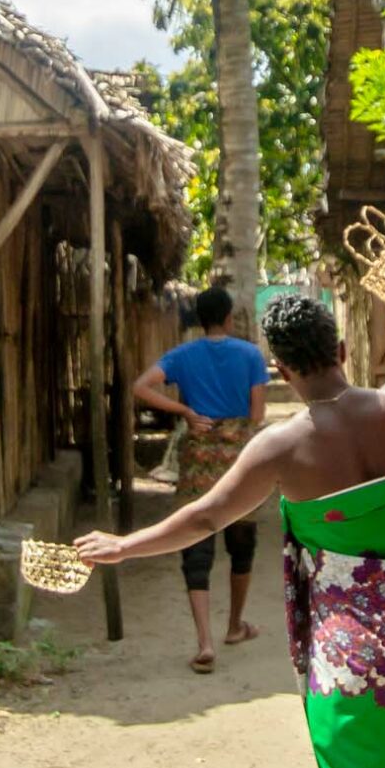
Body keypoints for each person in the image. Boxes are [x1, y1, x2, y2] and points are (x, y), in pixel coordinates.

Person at [84, 296, 385, 768]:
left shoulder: (280, 448)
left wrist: (123, 547)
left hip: (351, 659)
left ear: (281, 370)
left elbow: (203, 517)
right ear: (340, 350)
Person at [133, 285, 272, 672]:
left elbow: (140, 386)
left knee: (196, 541)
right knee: (241, 541)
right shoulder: (250, 355)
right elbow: (258, 415)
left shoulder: (182, 355)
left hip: (197, 458)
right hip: (239, 460)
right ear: (229, 317)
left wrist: (184, 410)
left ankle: (205, 642)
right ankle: (234, 626)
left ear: (199, 318)